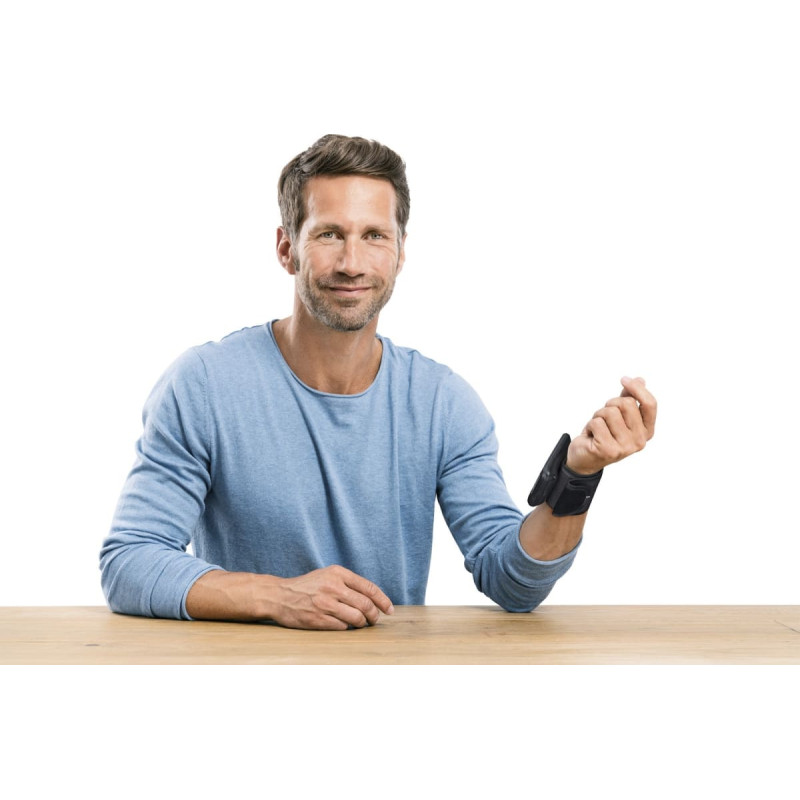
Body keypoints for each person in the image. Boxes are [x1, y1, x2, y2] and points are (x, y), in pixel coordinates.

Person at [100, 134, 657, 630]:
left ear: (400, 253)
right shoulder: (203, 385)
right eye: (329, 234)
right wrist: (278, 598)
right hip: (239, 679)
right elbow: (130, 561)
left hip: (391, 681)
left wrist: (577, 476)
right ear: (286, 248)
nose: (352, 262)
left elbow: (513, 582)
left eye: (374, 236)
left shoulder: (442, 403)